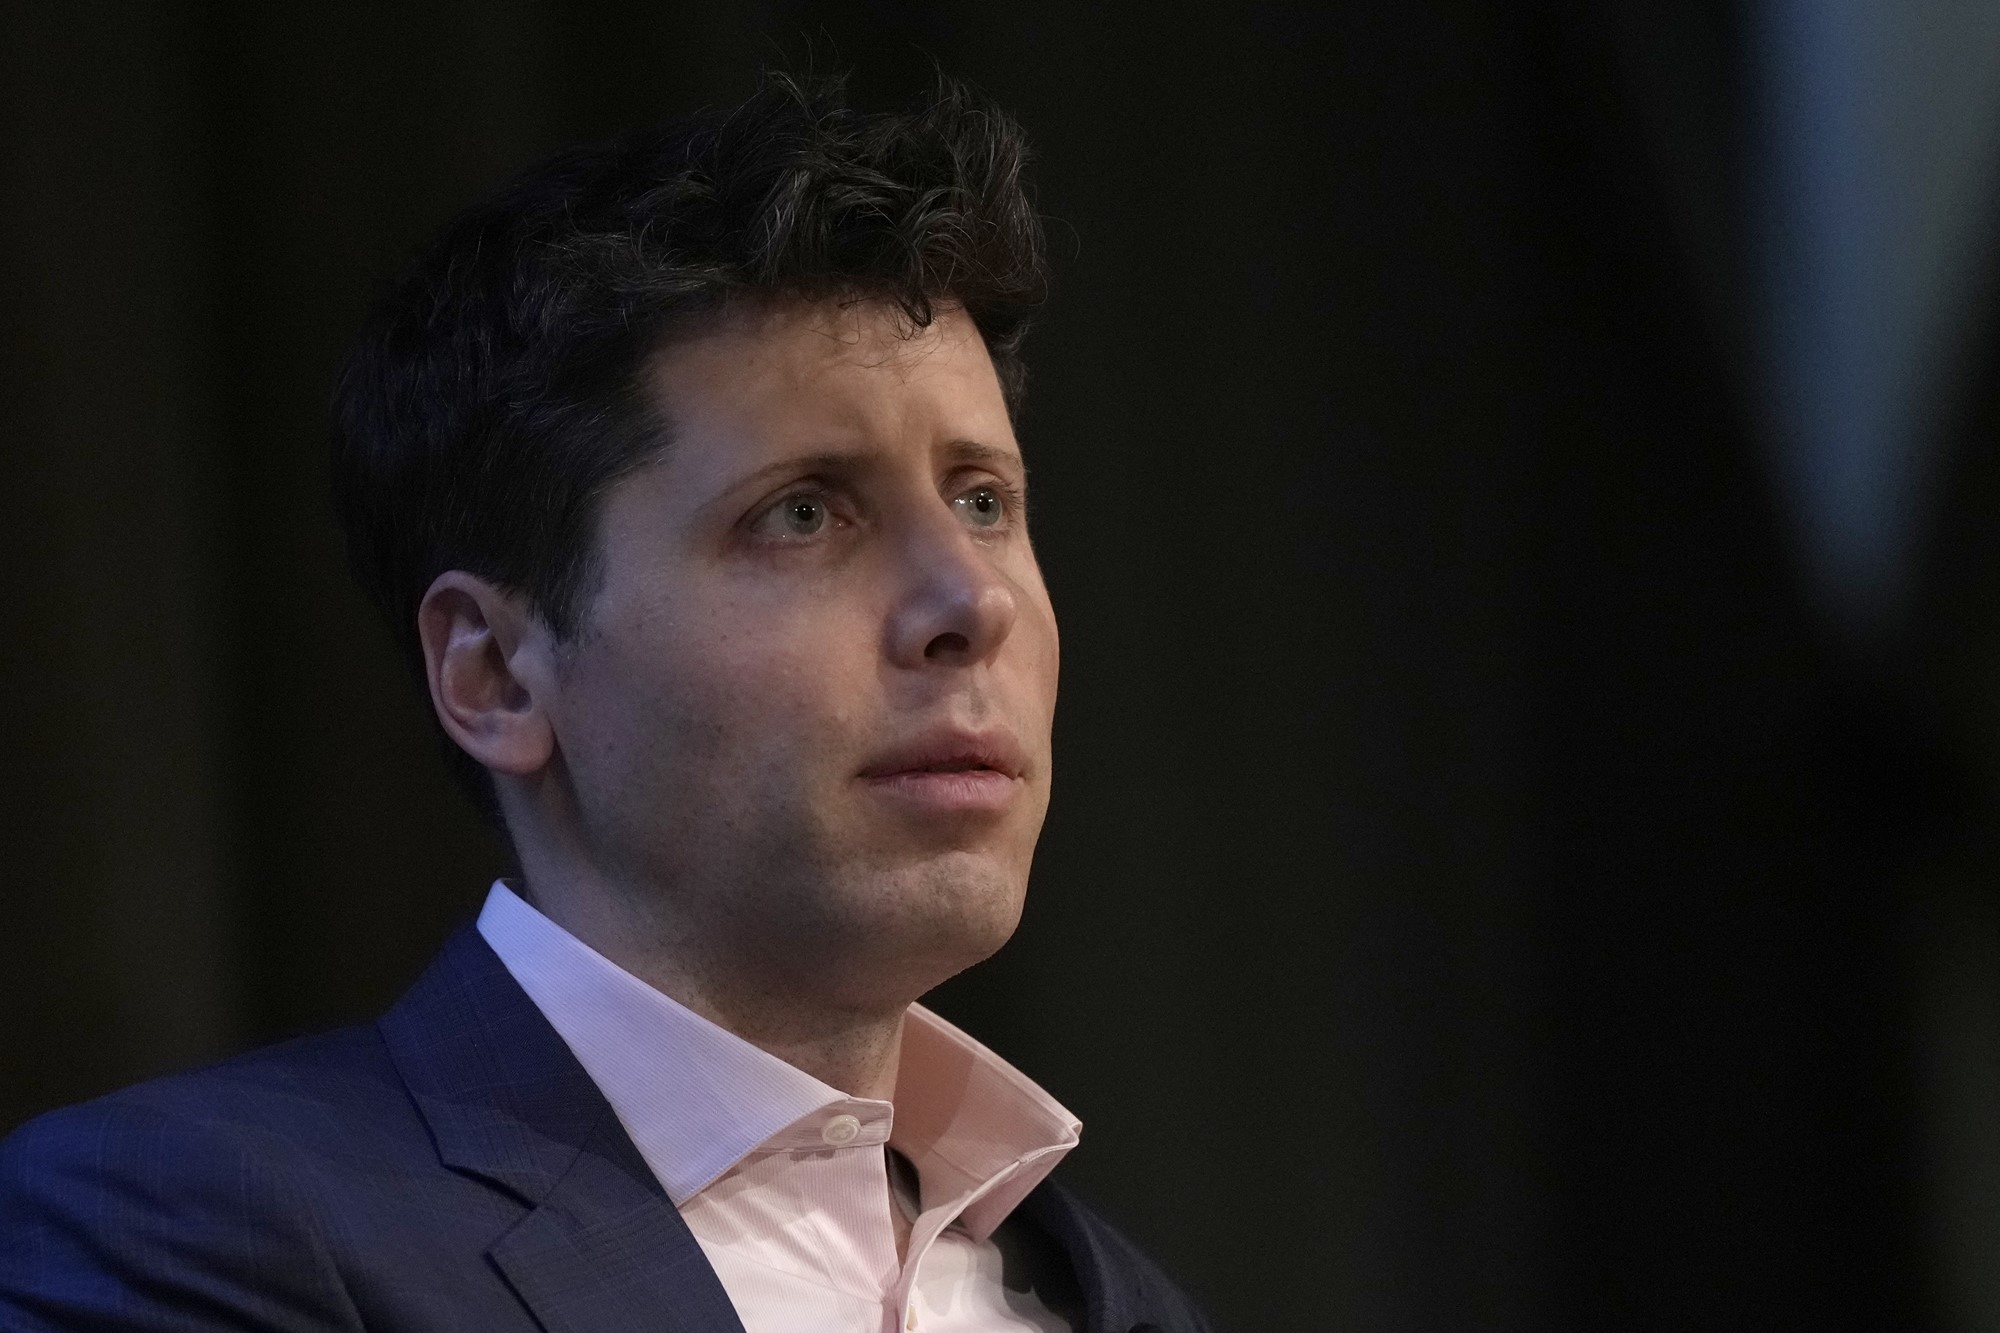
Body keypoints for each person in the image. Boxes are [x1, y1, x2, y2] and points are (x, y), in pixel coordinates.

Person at [0, 72, 1215, 1333]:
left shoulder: (1118, 1301)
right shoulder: (195, 1228)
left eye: (981, 499)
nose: (972, 600)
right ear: (495, 671)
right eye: (801, 513)